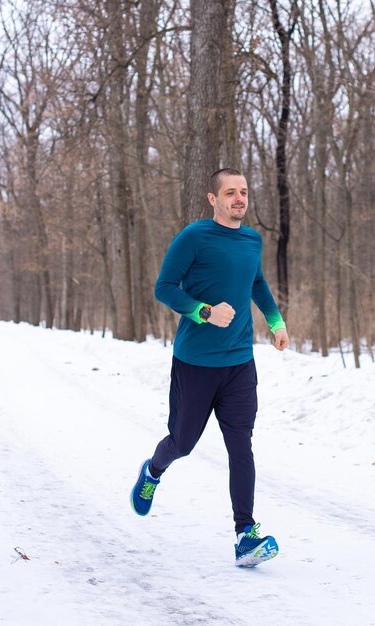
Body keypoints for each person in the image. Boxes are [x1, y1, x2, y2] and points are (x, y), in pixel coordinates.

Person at [130, 168, 289, 567]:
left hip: (239, 364)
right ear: (212, 199)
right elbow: (164, 287)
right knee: (182, 443)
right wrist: (202, 311)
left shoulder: (252, 240)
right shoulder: (194, 237)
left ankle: (245, 536)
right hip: (196, 363)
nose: (239, 199)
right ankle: (151, 472)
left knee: (241, 447)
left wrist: (275, 321)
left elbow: (256, 283)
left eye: (244, 192)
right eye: (230, 193)